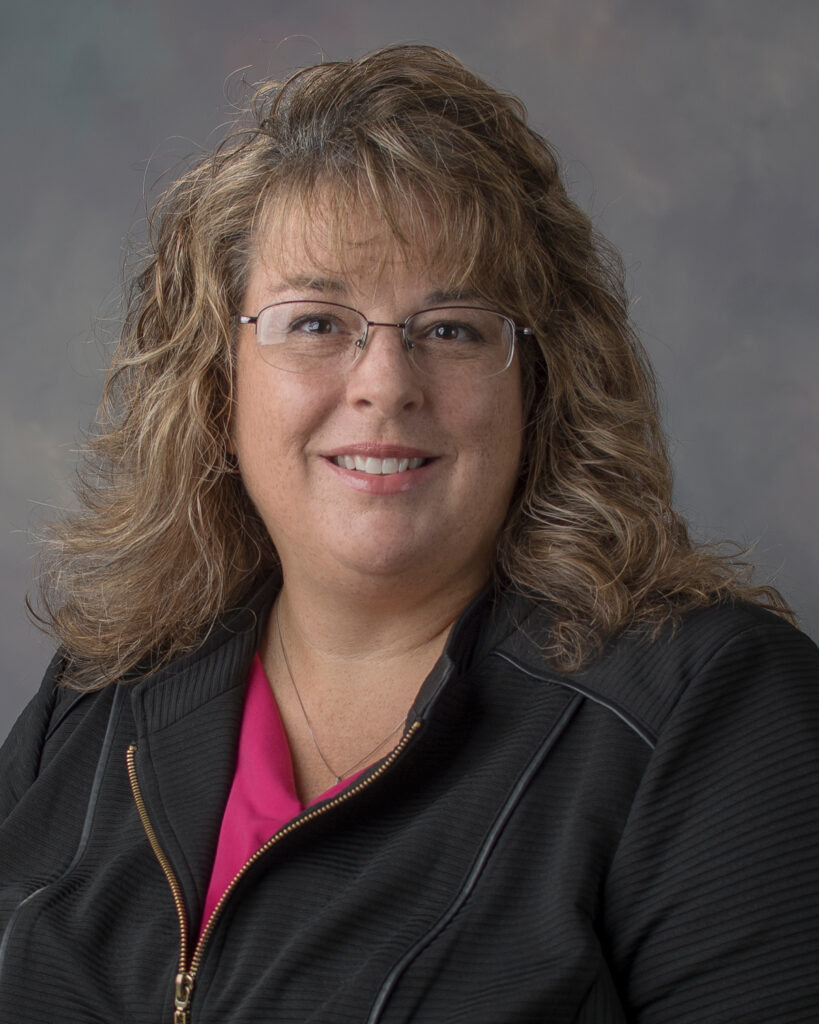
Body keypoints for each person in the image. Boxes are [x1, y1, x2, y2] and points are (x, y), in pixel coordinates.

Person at [0, 44, 816, 1024]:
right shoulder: (97, 696)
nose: (385, 383)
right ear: (217, 390)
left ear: (538, 389)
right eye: (315, 322)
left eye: (452, 328)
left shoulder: (706, 710)